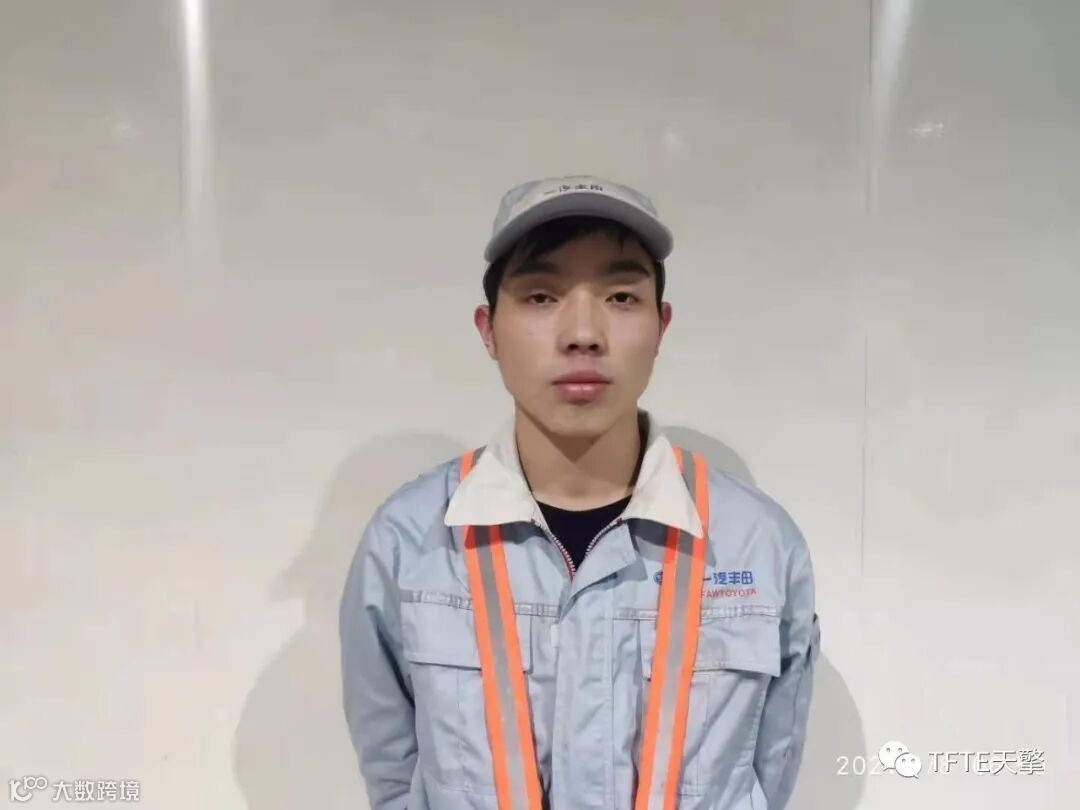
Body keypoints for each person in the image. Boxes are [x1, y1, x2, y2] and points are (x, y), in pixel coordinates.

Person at [339, 174, 821, 810]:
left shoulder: (758, 544)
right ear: (488, 330)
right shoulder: (409, 542)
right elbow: (395, 778)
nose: (583, 333)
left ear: (661, 325)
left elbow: (769, 773)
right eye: (541, 296)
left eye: (621, 297)